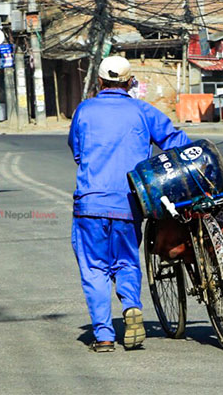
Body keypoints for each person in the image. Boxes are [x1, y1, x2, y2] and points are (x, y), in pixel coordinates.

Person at [67, 56, 192, 353]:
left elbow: (77, 151)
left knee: (95, 268)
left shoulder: (84, 110)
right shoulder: (142, 110)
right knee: (125, 260)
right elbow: (176, 142)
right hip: (129, 203)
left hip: (90, 204)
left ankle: (104, 336)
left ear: (99, 82)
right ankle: (132, 306)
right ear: (129, 83)